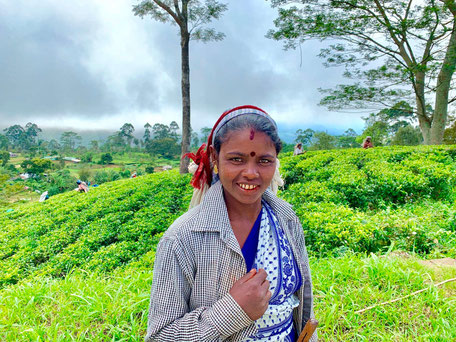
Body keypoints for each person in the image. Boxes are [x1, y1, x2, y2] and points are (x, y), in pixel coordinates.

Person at [145, 105, 316, 342]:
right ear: (215, 157)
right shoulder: (182, 238)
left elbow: (303, 304)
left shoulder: (286, 219)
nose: (250, 173)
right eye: (236, 159)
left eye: (264, 161)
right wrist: (234, 310)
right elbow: (160, 336)